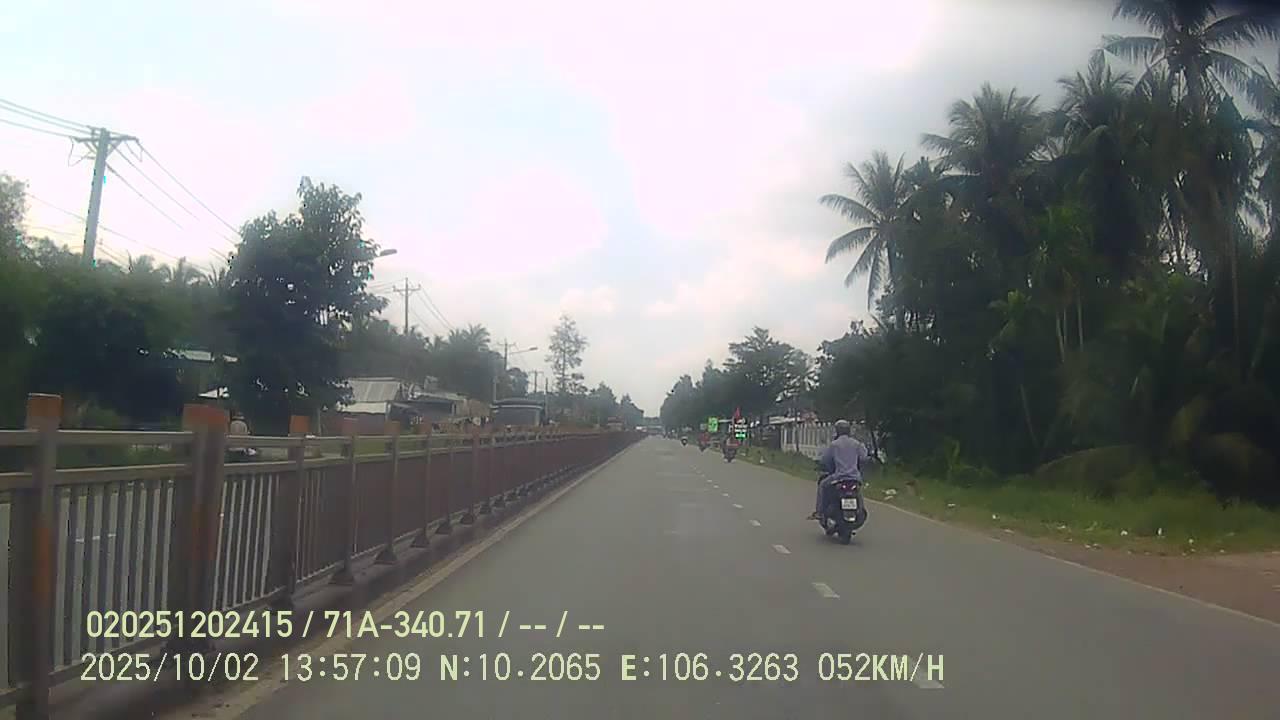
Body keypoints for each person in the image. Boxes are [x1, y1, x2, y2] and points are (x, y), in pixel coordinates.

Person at [810, 419, 869, 520]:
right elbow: (864, 457)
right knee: (858, 490)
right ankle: (861, 510)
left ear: (837, 431)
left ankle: (820, 512)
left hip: (838, 477)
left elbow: (825, 459)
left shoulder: (834, 444)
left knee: (822, 485)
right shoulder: (856, 443)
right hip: (854, 477)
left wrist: (825, 466)